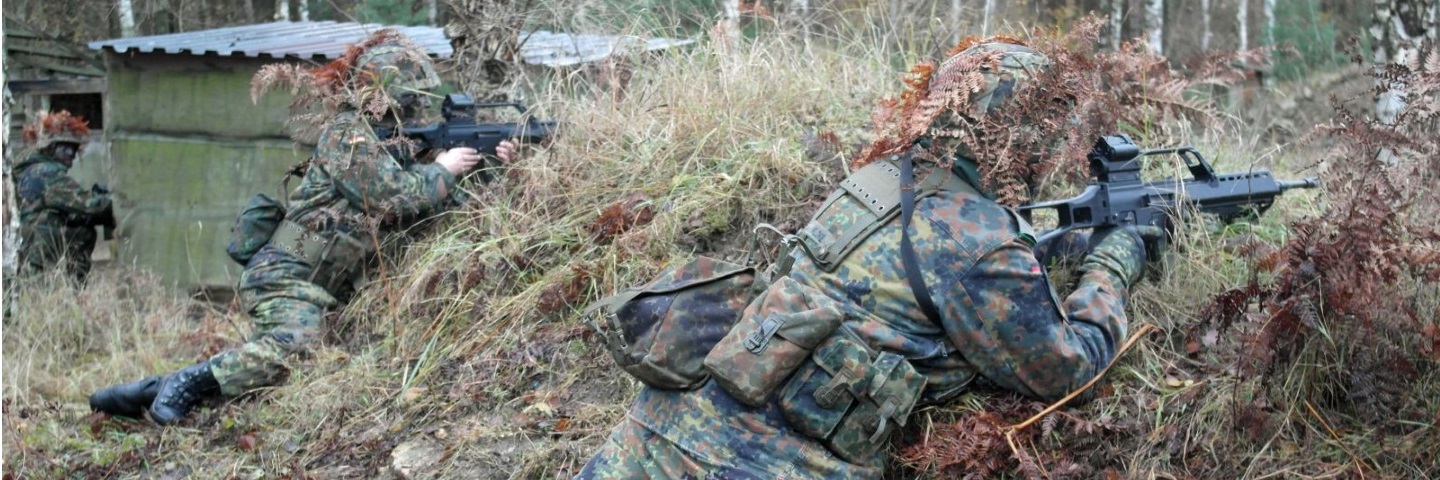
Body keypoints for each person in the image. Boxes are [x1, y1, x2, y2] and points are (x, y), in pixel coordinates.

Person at [576, 41, 1163, 478]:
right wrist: (1113, 263)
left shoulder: (875, 180)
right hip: (762, 465)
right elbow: (1067, 370)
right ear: (1022, 135)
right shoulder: (976, 241)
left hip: (651, 435)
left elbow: (921, 271)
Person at [89, 30, 487, 424]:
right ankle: (187, 383)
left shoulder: (395, 148)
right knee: (298, 345)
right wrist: (444, 168)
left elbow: (432, 211)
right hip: (283, 273)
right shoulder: (346, 134)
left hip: (320, 287)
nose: (414, 105)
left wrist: (486, 163)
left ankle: (154, 391)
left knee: (285, 369)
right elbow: (392, 196)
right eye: (408, 96)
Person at [12, 110, 114, 283]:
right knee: (83, 230)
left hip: (20, 244)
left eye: (74, 149)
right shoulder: (47, 172)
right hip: (31, 248)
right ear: (51, 148)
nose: (72, 154)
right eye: (66, 148)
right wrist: (118, 202)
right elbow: (87, 205)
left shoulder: (29, 168)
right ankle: (71, 287)